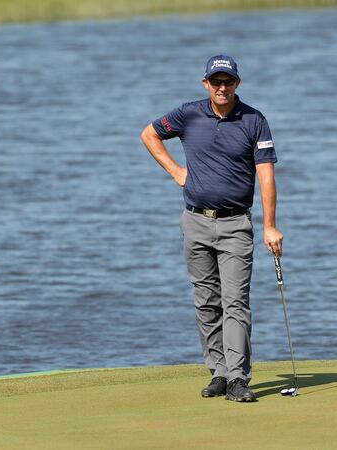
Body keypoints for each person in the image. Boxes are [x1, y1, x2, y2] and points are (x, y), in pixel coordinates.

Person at [140, 55, 283, 403]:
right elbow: (149, 134)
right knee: (206, 301)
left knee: (236, 302)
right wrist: (175, 172)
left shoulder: (254, 120)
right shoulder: (188, 114)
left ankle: (237, 377)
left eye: (228, 81)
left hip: (236, 224)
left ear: (237, 83)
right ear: (205, 83)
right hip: (195, 221)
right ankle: (218, 371)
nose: (222, 87)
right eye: (216, 81)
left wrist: (271, 225)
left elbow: (266, 175)